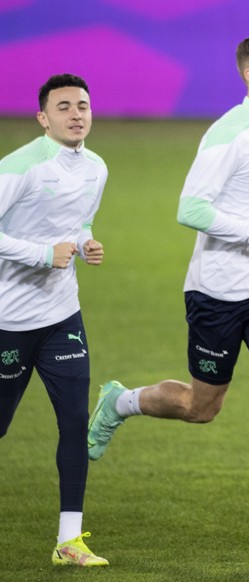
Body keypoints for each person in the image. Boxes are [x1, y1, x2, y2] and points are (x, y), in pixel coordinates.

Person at [85, 33, 249, 554]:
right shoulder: (228, 133)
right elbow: (191, 208)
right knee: (201, 406)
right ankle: (119, 402)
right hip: (216, 295)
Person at [0, 74, 109, 567]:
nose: (75, 114)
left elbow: (78, 220)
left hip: (62, 316)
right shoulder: (19, 166)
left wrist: (86, 243)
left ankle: (69, 541)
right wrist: (45, 253)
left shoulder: (96, 168)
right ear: (44, 117)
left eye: (82, 105)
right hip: (9, 320)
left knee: (73, 424)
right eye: (63, 107)